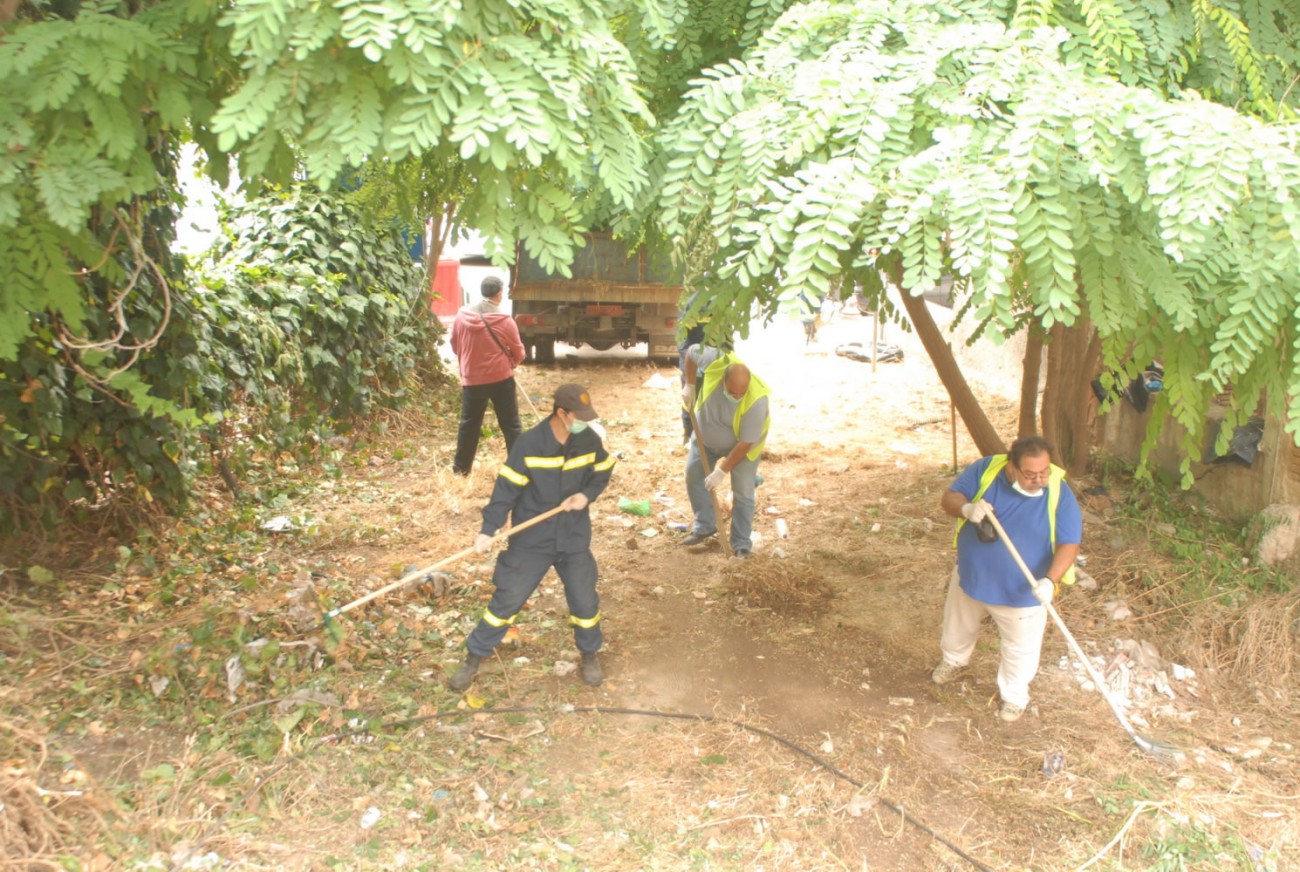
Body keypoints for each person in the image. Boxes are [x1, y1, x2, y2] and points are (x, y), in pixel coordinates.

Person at [448, 384, 617, 691]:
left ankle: (589, 654)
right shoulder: (529, 445)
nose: (584, 422)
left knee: (584, 600)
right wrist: (489, 529)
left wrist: (586, 494)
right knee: (507, 598)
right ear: (561, 414)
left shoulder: (589, 440)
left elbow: (603, 469)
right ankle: (473, 658)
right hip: (532, 539)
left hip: (573, 535)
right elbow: (505, 491)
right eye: (578, 417)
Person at [931, 436, 1082, 722]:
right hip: (972, 576)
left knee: (1020, 647)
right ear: (1012, 466)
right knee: (957, 626)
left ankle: (1013, 696)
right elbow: (949, 498)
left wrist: (1050, 580)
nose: (1038, 480)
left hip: (1022, 591)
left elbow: (1070, 542)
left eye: (1044, 472)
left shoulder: (1058, 492)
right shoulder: (987, 470)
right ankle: (952, 660)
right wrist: (966, 509)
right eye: (1030, 474)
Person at [680, 354, 770, 558]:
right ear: (723, 381)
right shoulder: (714, 361)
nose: (737, 397)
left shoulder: (757, 400)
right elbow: (692, 352)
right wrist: (690, 385)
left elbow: (745, 443)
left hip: (743, 448)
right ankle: (705, 526)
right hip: (705, 440)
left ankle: (741, 543)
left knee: (743, 492)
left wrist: (721, 471)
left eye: (741, 394)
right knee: (694, 475)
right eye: (732, 392)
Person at [449, 276, 525, 475]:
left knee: (469, 425)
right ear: (499, 294)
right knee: (511, 425)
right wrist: (511, 363)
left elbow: (455, 346)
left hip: (472, 380)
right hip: (501, 379)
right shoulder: (505, 321)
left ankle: (460, 471)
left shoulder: (462, 316)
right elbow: (519, 352)